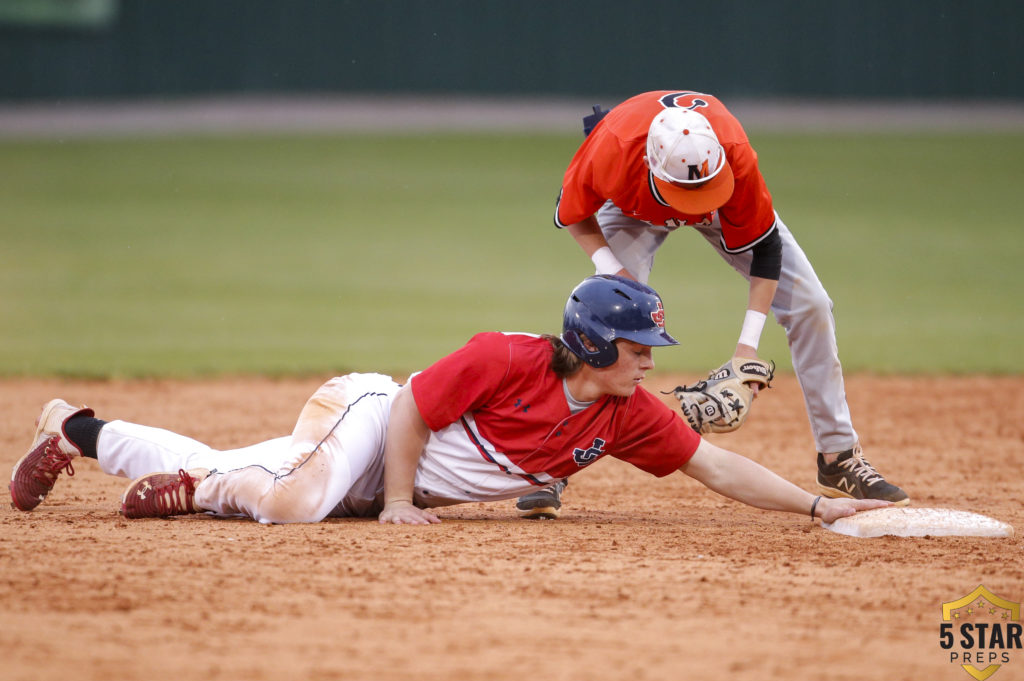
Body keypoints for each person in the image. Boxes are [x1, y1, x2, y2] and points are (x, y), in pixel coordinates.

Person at [9, 275, 889, 527]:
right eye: (636, 347)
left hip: (398, 469)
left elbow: (716, 466)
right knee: (290, 499)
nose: (649, 363)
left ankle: (75, 428)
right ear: (588, 342)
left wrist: (813, 504)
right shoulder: (502, 356)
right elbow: (414, 410)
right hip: (374, 415)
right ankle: (189, 492)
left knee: (258, 469)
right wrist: (395, 500)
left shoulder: (625, 413)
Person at [515, 90, 909, 519]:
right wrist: (613, 271)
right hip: (632, 206)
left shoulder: (734, 155)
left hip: (720, 198)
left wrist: (747, 348)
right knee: (596, 314)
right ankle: (552, 463)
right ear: (650, 164)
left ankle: (838, 458)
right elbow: (573, 213)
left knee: (812, 304)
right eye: (688, 195)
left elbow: (766, 251)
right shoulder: (613, 149)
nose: (692, 209)